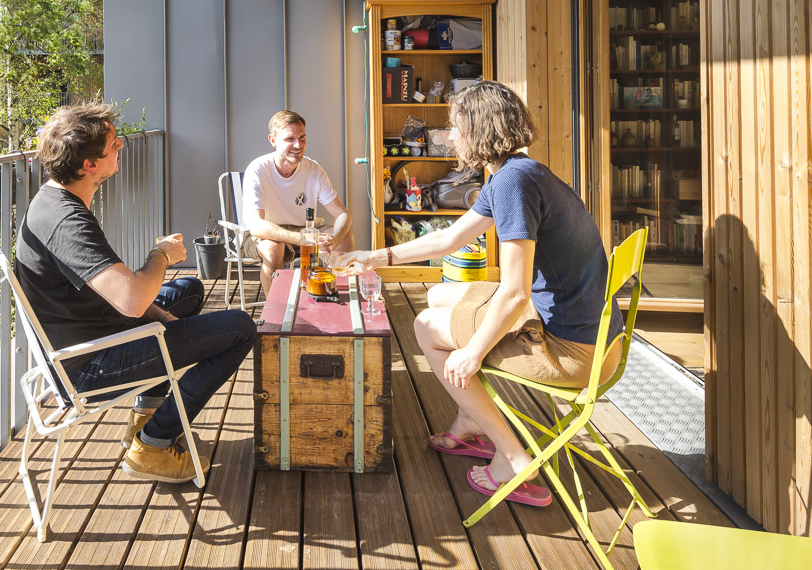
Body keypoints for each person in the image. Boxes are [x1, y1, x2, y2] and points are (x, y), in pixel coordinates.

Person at [335, 81, 622, 508]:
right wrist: (375, 256)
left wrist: (473, 353)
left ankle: (510, 457)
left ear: (478, 128)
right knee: (440, 298)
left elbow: (515, 293)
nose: (450, 136)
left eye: (455, 126)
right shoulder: (520, 172)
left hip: (574, 353)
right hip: (596, 338)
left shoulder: (512, 185)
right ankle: (470, 417)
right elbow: (448, 240)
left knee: (425, 326)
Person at [15, 103, 256, 483]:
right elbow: (131, 300)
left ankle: (148, 412)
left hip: (93, 332)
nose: (122, 146)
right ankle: (154, 445)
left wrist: (161, 317)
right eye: (113, 144)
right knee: (240, 328)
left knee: (189, 289)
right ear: (88, 165)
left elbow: (114, 297)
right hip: (87, 367)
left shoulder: (53, 198)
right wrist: (160, 255)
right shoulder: (66, 221)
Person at [241, 110, 354, 292]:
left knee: (346, 237)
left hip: (304, 230)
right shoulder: (258, 169)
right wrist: (304, 239)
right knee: (274, 248)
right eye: (290, 139)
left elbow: (342, 214)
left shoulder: (313, 169)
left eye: (302, 138)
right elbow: (256, 226)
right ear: (273, 141)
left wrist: (335, 239)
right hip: (265, 233)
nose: (298, 144)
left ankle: (335, 297)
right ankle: (276, 313)